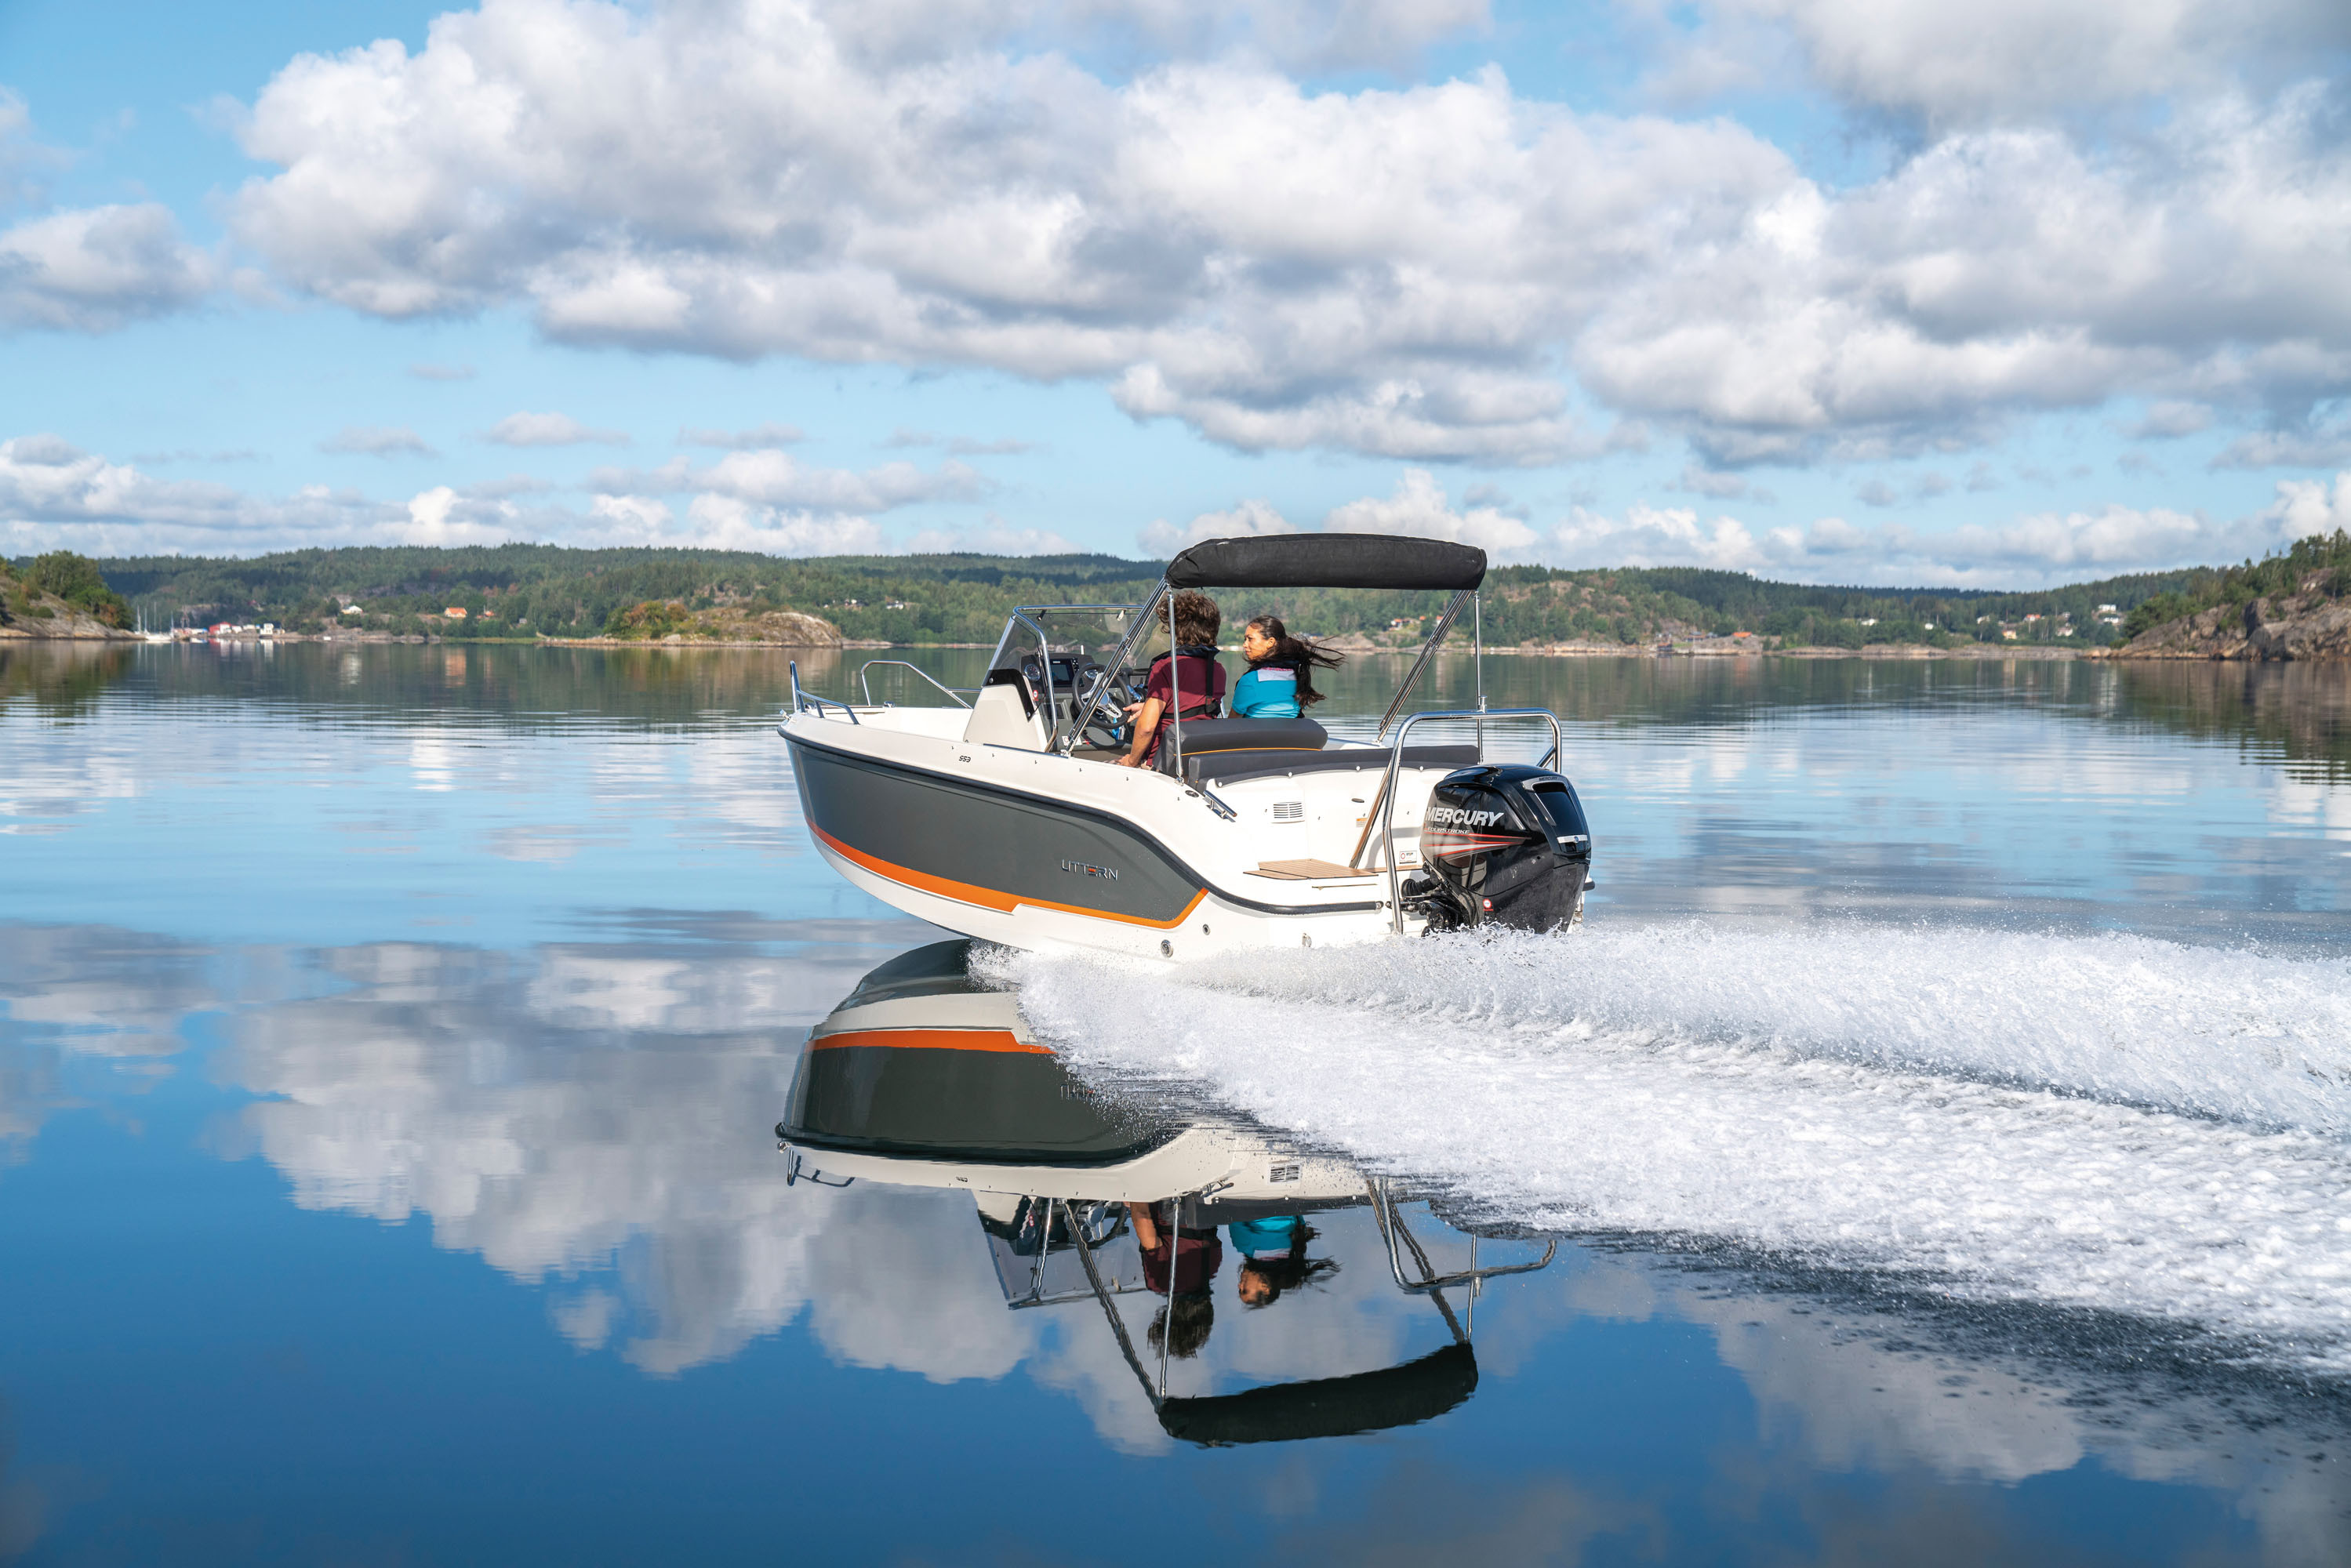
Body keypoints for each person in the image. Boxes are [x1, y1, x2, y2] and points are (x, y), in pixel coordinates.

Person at [1116, 590, 1226, 768]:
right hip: (1200, 760)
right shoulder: (1218, 670)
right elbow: (1192, 708)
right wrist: (1147, 707)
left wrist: (1131, 761)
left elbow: (1146, 728)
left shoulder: (1166, 668)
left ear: (1178, 629)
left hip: (1163, 763)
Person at [1129, 1199, 1223, 1356]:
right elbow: (1142, 1216)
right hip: (1164, 1194)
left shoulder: (1212, 1266)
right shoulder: (1159, 1282)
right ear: (1169, 1321)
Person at [1229, 613, 1341, 720]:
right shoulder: (1298, 675)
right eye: (1245, 639)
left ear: (1270, 642)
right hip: (1291, 734)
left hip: (1256, 734)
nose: (1245, 644)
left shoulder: (1249, 680)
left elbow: (1232, 723)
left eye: (1250, 639)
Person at [1229, 1215, 1339, 1308]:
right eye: (1244, 1290)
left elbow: (1298, 1216)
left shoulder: (1296, 1242)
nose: (1239, 1285)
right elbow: (1233, 1215)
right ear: (1265, 1288)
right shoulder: (1244, 1245)